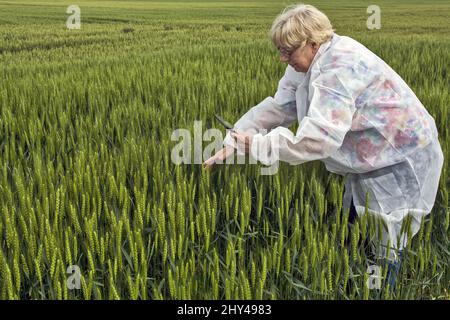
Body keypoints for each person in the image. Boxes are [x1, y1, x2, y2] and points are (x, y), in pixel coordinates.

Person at [202, 4, 444, 289]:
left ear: (313, 42)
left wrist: (257, 145)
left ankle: (380, 291)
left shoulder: (338, 69)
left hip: (400, 158)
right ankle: (357, 281)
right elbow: (281, 106)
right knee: (357, 221)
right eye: (279, 50)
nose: (282, 58)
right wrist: (235, 139)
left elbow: (318, 140)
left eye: (287, 51)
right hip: (370, 156)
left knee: (385, 240)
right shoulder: (308, 60)